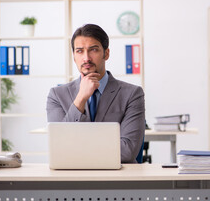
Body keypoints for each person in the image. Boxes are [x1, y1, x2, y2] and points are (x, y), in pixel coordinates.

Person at [46, 24, 145, 163]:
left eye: (93, 50)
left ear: (106, 53)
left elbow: (127, 151)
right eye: (79, 51)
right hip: (71, 176)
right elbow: (59, 147)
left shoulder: (132, 94)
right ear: (74, 56)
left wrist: (76, 148)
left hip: (118, 177)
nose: (86, 58)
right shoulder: (56, 95)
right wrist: (80, 98)